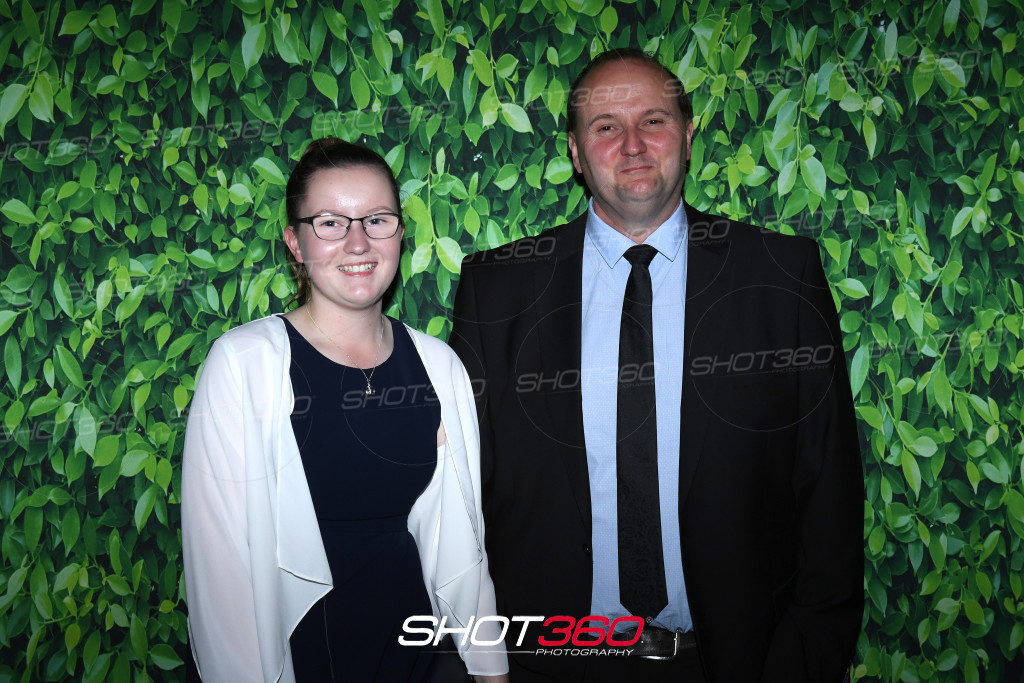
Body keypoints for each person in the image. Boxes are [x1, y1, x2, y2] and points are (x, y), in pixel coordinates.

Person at [449, 48, 863, 682]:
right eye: (606, 126)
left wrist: (804, 662)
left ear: (688, 137)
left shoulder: (781, 277)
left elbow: (829, 490)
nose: (633, 144)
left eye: (654, 120)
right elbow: (461, 499)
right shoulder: (498, 289)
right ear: (576, 152)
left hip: (734, 665)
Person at [182, 137, 509, 682]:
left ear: (400, 234)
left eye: (377, 220)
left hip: (417, 659)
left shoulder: (438, 365)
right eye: (331, 223)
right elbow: (222, 581)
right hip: (298, 660)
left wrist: (491, 670)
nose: (358, 243)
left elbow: (462, 550)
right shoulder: (244, 364)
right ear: (295, 242)